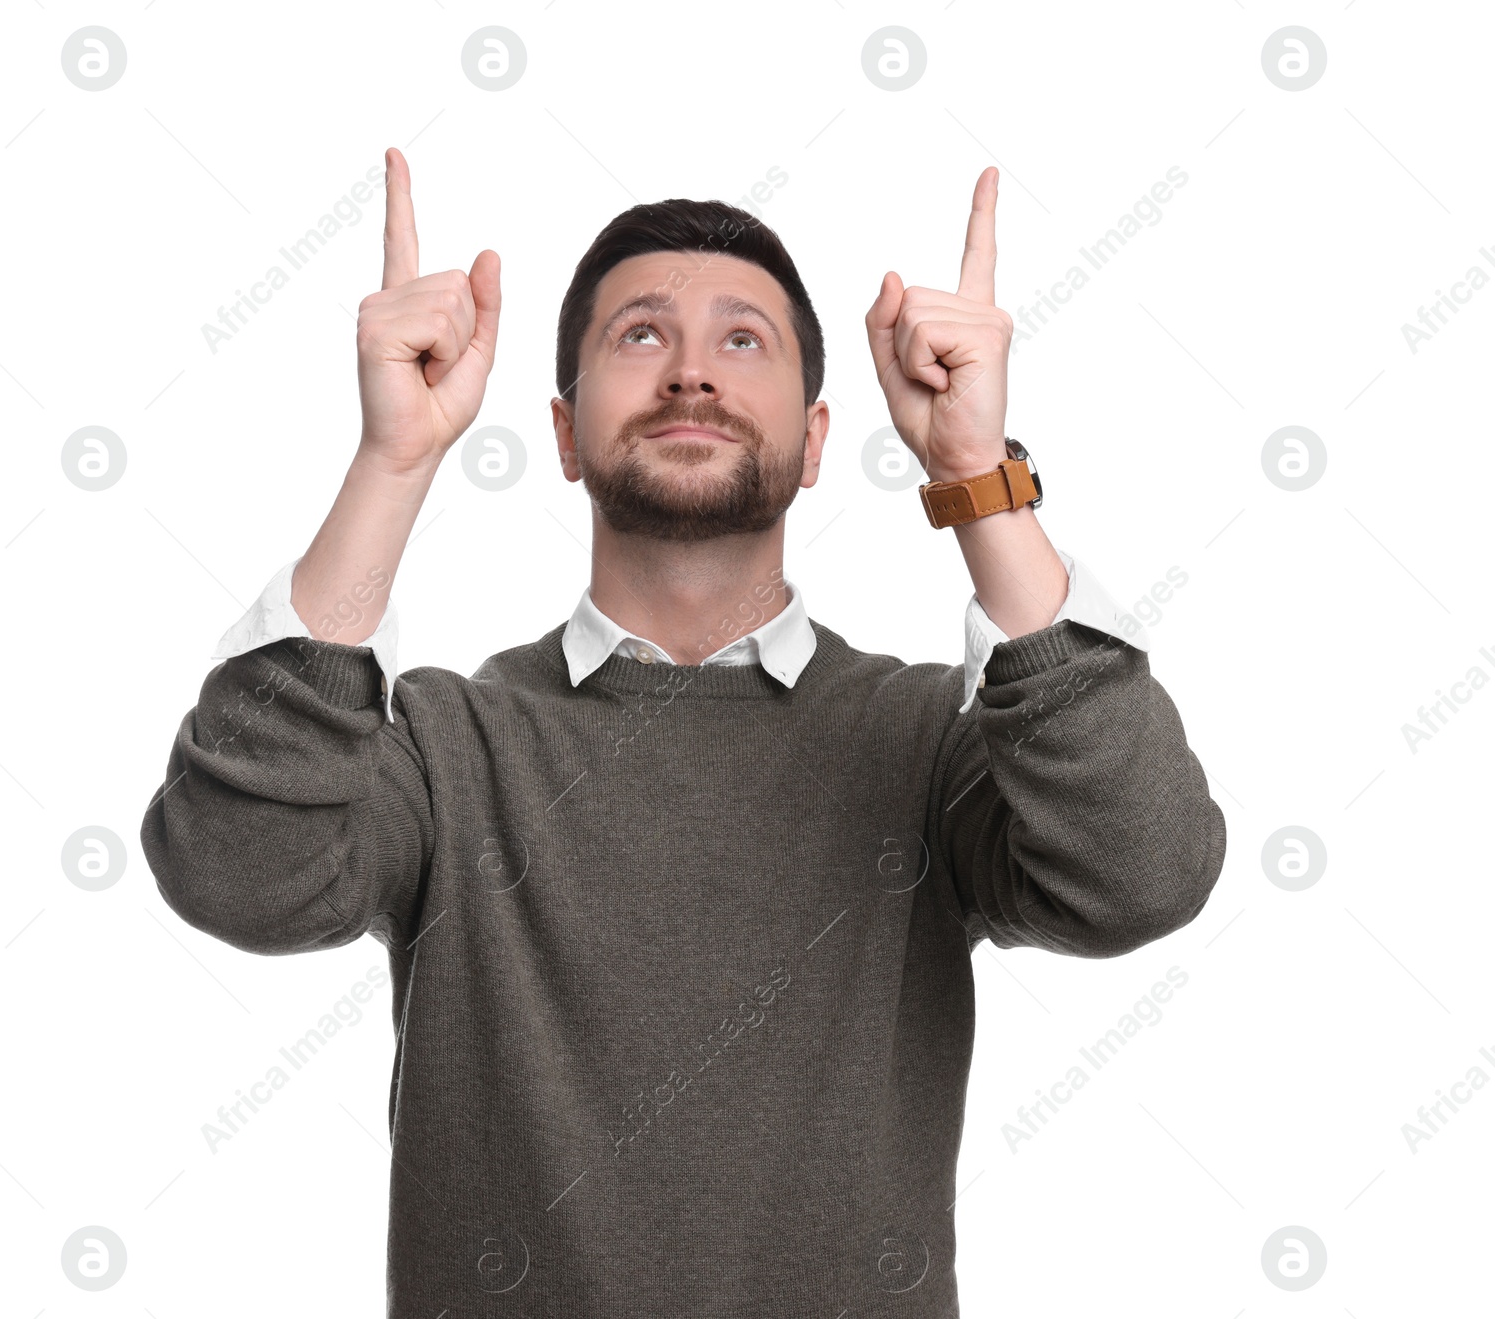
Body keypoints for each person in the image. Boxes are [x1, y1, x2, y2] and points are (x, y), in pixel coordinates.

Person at [141, 146, 1226, 1317]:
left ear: (815, 443)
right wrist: (392, 461)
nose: (693, 374)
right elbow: (234, 872)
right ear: (562, 435)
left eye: (742, 339)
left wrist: (974, 471)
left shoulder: (924, 742)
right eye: (642, 337)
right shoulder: (448, 746)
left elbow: (1145, 873)